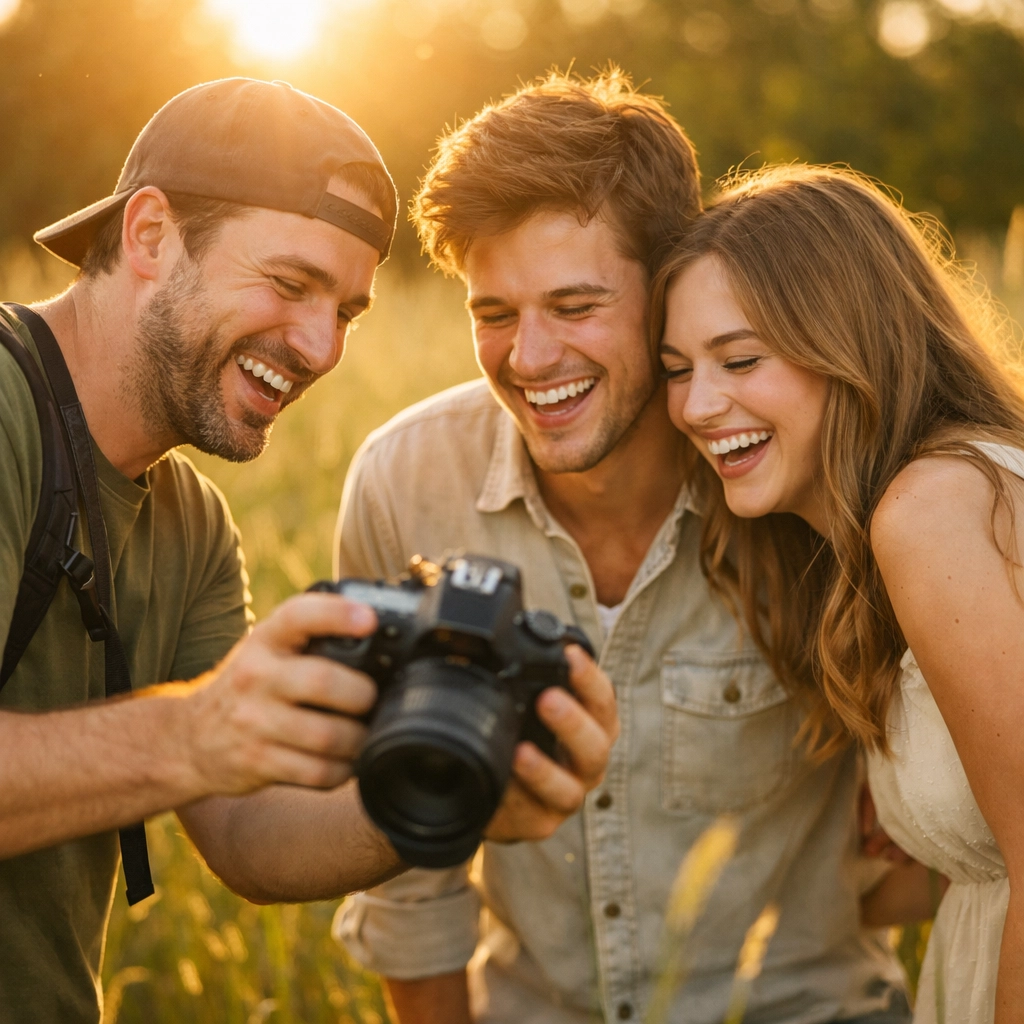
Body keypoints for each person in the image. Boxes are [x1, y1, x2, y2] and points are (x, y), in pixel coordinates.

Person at [0, 77, 612, 1024]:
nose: (321, 346)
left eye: (348, 311)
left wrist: (464, 782)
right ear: (150, 235)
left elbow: (249, 836)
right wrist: (192, 732)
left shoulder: (192, 526)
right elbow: (201, 746)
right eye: (289, 284)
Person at [332, 69, 909, 1024]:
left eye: (574, 304)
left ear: (667, 287)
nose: (530, 357)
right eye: (494, 313)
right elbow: (408, 879)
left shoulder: (800, 471)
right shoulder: (403, 483)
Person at [653, 163, 1024, 1023]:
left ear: (850, 342)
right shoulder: (939, 503)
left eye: (740, 359)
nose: (700, 405)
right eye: (676, 369)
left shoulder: (928, 510)